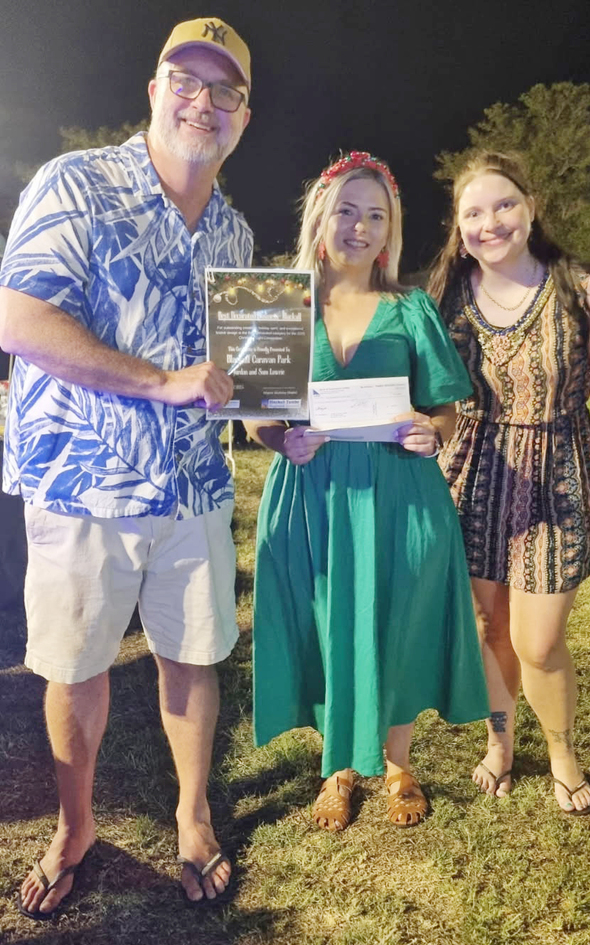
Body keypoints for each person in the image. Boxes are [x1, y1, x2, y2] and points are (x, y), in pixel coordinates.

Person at [0, 17, 253, 916]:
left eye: (225, 90)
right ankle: (75, 826)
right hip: (84, 480)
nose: (203, 101)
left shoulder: (234, 234)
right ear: (154, 92)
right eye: (185, 80)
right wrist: (158, 381)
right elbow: (20, 318)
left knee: (193, 656)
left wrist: (278, 423)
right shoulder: (76, 183)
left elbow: (237, 377)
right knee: (74, 666)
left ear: (243, 116)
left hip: (193, 486)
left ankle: (192, 813)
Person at [245, 152, 489, 832]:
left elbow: (445, 408)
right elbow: (259, 415)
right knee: (329, 618)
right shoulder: (278, 304)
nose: (360, 226)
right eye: (347, 210)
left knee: (398, 615)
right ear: (320, 217)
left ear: (391, 230)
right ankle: (339, 768)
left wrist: (432, 431)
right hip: (314, 493)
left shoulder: (410, 307)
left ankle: (398, 763)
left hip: (399, 492)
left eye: (376, 215)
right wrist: (280, 440)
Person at [428, 151, 590, 813]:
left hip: (558, 478)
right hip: (476, 472)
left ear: (531, 207)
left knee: (538, 641)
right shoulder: (448, 297)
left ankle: (562, 752)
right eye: (473, 213)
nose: (490, 223)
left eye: (504, 205)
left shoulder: (585, 291)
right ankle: (500, 741)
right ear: (459, 225)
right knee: (490, 627)